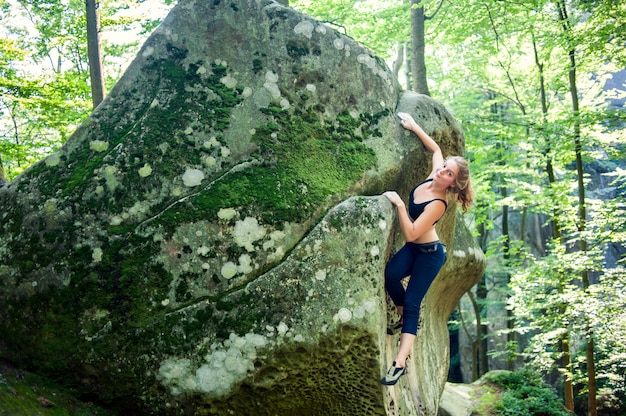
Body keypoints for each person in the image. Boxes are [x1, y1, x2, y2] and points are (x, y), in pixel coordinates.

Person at [380, 112, 473, 386]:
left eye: (448, 173)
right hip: (416, 249)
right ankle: (406, 319)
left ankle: (399, 364)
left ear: (452, 183)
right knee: (390, 275)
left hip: (430, 256)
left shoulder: (438, 203)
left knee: (412, 303)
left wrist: (399, 204)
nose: (442, 170)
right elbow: (435, 148)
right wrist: (413, 125)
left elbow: (410, 233)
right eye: (444, 166)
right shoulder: (435, 171)